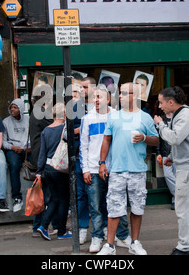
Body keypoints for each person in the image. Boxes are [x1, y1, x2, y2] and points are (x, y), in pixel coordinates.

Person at [98, 83, 159, 255]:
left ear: (134, 95)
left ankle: (135, 242)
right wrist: (102, 162)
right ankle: (109, 245)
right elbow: (106, 140)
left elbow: (156, 139)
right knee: (114, 207)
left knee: (137, 207)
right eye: (120, 93)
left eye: (124, 93)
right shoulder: (114, 116)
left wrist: (145, 137)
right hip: (117, 169)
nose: (121, 96)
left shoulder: (145, 117)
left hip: (137, 169)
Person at [154, 86, 189, 255]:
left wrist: (160, 125)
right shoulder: (182, 114)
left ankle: (185, 247)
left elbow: (176, 138)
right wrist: (172, 156)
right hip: (188, 164)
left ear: (171, 102)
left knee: (183, 208)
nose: (160, 106)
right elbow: (182, 140)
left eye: (162, 103)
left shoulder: (185, 115)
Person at [80, 84, 131, 253]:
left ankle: (122, 235)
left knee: (119, 203)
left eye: (99, 97)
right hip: (94, 169)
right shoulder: (87, 119)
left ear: (108, 99)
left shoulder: (117, 116)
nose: (95, 100)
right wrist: (85, 169)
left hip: (116, 168)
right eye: (94, 97)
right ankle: (97, 237)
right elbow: (84, 146)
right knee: (94, 205)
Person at [36, 103, 72, 240]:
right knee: (63, 200)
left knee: (54, 199)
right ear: (64, 115)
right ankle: (61, 231)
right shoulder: (64, 129)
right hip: (60, 169)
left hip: (47, 168)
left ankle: (43, 226)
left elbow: (42, 153)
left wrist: (39, 171)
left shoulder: (46, 130)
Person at [29, 84, 59, 236]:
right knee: (46, 194)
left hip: (38, 155)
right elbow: (56, 126)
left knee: (43, 194)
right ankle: (41, 226)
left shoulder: (36, 111)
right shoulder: (41, 112)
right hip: (43, 158)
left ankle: (41, 226)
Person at [74, 76, 96, 244]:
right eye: (81, 87)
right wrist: (83, 129)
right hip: (80, 156)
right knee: (81, 195)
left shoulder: (101, 107)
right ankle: (82, 228)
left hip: (99, 157)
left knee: (100, 194)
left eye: (86, 87)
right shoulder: (74, 107)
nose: (82, 90)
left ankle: (100, 229)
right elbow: (68, 130)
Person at [3, 98, 30, 212]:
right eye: (11, 107)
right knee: (14, 166)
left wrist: (30, 148)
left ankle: (43, 197)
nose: (12, 109)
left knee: (39, 165)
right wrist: (12, 147)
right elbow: (3, 142)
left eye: (15, 107)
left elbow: (34, 136)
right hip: (13, 149)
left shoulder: (29, 120)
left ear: (21, 108)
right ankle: (17, 198)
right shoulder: (5, 122)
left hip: (27, 149)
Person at [155, 106, 176, 210]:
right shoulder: (161, 119)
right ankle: (181, 196)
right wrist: (158, 152)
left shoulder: (177, 118)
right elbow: (158, 138)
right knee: (168, 175)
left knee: (177, 176)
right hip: (165, 153)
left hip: (177, 153)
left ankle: (175, 200)